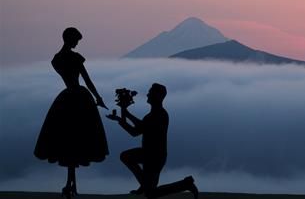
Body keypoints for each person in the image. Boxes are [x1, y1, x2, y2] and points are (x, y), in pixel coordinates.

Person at [34, 27, 109, 198]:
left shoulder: (56, 60)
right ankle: (71, 184)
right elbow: (87, 80)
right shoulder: (75, 58)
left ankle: (70, 183)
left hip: (66, 98)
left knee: (68, 140)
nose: (77, 44)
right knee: (77, 139)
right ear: (70, 39)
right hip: (80, 99)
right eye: (76, 40)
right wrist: (98, 98)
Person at [107, 83, 198, 199]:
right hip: (153, 155)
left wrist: (123, 114)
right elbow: (137, 129)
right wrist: (123, 115)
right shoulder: (156, 114)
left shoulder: (158, 115)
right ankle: (185, 184)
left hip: (153, 156)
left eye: (150, 92)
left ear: (157, 96)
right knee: (151, 193)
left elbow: (136, 130)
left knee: (126, 157)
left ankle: (183, 184)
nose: (148, 94)